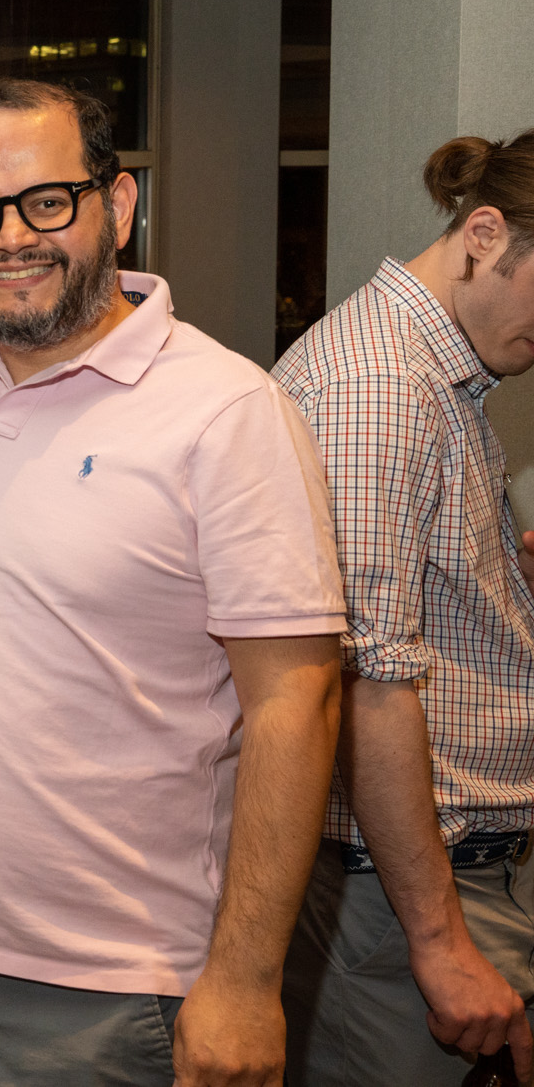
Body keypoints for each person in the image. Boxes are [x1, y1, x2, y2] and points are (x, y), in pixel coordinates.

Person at [0, 77, 347, 1086]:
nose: (10, 238)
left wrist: (246, 980)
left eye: (45, 201)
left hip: (111, 991)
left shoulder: (225, 412)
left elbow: (298, 703)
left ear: (116, 205)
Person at [276, 132, 534, 1087]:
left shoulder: (436, 372)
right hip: (402, 895)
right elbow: (361, 682)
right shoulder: (382, 388)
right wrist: (440, 941)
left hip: (435, 874)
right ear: (484, 233)